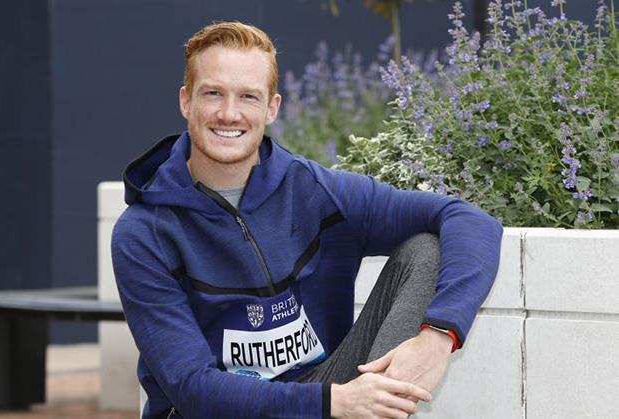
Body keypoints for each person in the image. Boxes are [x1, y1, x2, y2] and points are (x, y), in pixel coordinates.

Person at [112, 21, 503, 419]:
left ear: (271, 108)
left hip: (323, 390)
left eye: (248, 96)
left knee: (425, 249)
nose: (229, 113)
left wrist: (438, 336)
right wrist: (336, 402)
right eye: (213, 93)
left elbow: (470, 221)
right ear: (186, 101)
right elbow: (192, 387)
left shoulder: (316, 190)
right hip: (218, 412)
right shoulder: (144, 233)